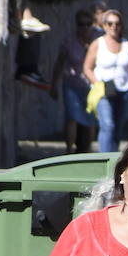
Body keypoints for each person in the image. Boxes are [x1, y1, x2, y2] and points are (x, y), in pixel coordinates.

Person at [83, 10, 128, 153]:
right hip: (102, 91)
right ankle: (104, 158)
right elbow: (87, 68)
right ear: (104, 25)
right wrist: (98, 83)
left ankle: (114, 161)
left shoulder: (126, 44)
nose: (114, 27)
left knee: (118, 128)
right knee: (108, 125)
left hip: (123, 90)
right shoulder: (97, 44)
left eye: (117, 24)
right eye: (110, 23)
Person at [51, 9, 100, 154]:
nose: (85, 27)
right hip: (72, 83)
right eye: (81, 24)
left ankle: (88, 148)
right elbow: (59, 62)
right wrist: (53, 84)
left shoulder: (98, 40)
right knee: (72, 117)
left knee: (90, 119)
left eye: (88, 24)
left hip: (92, 85)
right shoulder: (69, 40)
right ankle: (69, 149)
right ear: (76, 25)